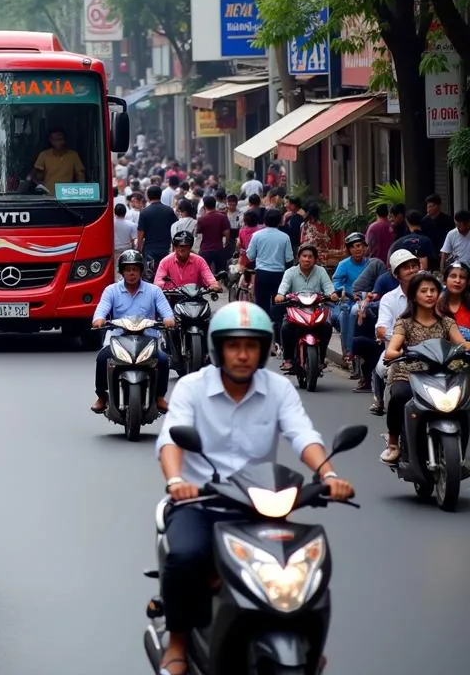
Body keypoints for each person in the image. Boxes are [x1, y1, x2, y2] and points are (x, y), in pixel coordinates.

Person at [154, 301, 354, 675]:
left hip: (261, 505)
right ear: (218, 348)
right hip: (201, 502)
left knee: (306, 568)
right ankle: (178, 643)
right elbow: (171, 440)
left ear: (264, 350)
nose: (243, 355)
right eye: (233, 345)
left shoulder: (277, 388)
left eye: (251, 346)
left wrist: (328, 475)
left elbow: (301, 433)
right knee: (185, 557)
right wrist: (177, 481)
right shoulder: (191, 388)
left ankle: (310, 645)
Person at [379, 271, 468, 463]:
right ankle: (393, 442)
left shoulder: (447, 322)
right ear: (414, 295)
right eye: (424, 291)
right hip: (409, 374)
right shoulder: (404, 323)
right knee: (400, 396)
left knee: (464, 401)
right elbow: (391, 351)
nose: (429, 295)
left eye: (433, 290)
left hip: (441, 375)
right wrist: (402, 353)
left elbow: (462, 344)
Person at [91, 249, 175, 413]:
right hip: (118, 339)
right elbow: (101, 311)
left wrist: (168, 319)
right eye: (128, 270)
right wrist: (99, 320)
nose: (131, 274)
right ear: (122, 271)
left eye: (135, 269)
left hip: (148, 339)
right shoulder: (111, 290)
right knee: (102, 358)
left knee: (164, 360)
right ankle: (102, 396)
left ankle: (159, 397)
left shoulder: (154, 291)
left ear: (141, 271)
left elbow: (167, 312)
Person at [354, 249, 421, 416]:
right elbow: (382, 328)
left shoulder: (431, 293)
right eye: (406, 267)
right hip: (400, 351)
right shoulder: (389, 299)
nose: (412, 270)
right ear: (396, 274)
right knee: (382, 368)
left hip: (431, 351)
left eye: (414, 266)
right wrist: (402, 339)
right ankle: (380, 401)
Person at [275, 243, 338, 373]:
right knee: (286, 327)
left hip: (316, 309)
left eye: (310, 256)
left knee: (326, 328)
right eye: (304, 256)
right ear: (299, 258)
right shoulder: (290, 272)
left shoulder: (321, 271)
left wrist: (332, 295)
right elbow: (283, 288)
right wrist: (280, 296)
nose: (307, 259)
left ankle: (321, 358)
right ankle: (288, 359)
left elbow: (329, 288)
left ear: (315, 259)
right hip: (295, 309)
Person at [244, 208, 293, 337]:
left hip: (262, 275)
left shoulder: (257, 235)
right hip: (279, 276)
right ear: (279, 222)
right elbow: (289, 259)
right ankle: (278, 335)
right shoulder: (285, 237)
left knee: (262, 304)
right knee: (279, 305)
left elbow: (250, 255)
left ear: (264, 221)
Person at [332, 232, 370, 365]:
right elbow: (336, 282)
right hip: (348, 301)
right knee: (345, 315)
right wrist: (346, 292)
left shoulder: (371, 264)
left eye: (360, 246)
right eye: (354, 246)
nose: (358, 249)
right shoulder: (344, 264)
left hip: (367, 300)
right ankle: (348, 352)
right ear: (349, 249)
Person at [154, 231, 222, 293]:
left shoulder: (199, 261)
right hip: (173, 298)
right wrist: (162, 286)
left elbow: (209, 276)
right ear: (175, 247)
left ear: (190, 247)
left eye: (186, 246)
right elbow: (158, 281)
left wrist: (214, 284)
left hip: (196, 298)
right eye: (179, 246)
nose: (182, 249)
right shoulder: (165, 262)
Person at [31, 128, 86, 195]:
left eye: (60, 139)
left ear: (65, 140)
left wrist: (80, 192)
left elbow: (80, 176)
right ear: (50, 141)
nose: (58, 142)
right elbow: (35, 175)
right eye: (55, 140)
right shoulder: (44, 155)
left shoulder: (73, 155)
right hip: (48, 197)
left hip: (67, 196)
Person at [137, 185, 177, 276]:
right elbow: (175, 229)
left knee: (150, 276)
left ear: (148, 196)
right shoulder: (169, 211)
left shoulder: (144, 212)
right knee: (165, 276)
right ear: (160, 195)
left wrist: (139, 249)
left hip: (149, 251)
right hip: (166, 250)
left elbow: (141, 233)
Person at [195, 195, 230, 276]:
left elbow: (198, 235)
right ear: (215, 204)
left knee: (204, 273)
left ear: (204, 206)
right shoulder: (222, 217)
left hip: (205, 250)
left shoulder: (201, 219)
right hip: (218, 249)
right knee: (219, 274)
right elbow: (227, 233)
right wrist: (226, 244)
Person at [437, 261, 470, 341]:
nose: (457, 281)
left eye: (462, 277)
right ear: (445, 280)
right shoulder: (435, 304)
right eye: (453, 276)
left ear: (468, 282)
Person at [420, 194, 454, 265]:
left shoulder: (447, 220)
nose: (428, 209)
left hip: (443, 253)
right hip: (429, 254)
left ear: (438, 206)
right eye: (427, 206)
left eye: (431, 206)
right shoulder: (424, 221)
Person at [113, 202, 138, 272]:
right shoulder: (132, 225)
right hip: (127, 250)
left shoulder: (110, 223)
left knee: (115, 270)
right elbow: (134, 240)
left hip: (114, 250)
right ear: (125, 212)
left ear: (115, 212)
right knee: (126, 269)